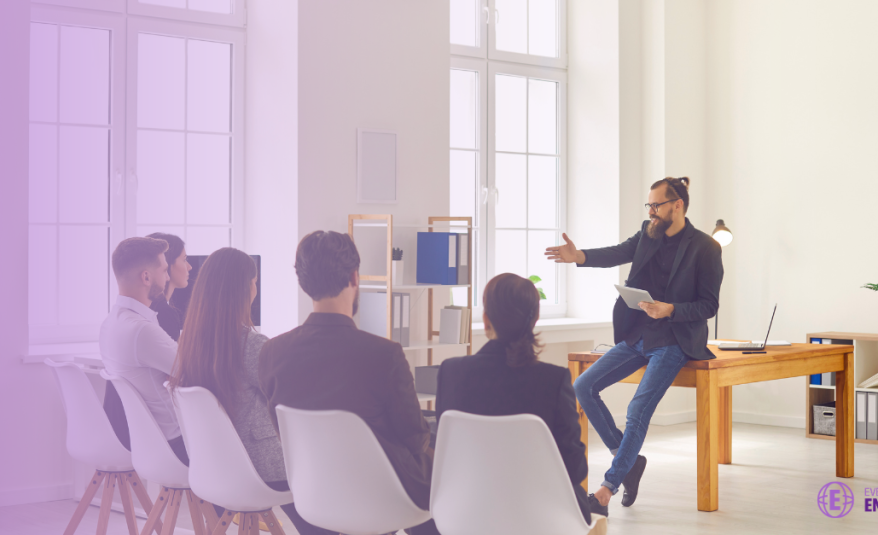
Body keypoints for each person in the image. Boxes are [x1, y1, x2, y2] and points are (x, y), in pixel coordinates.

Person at [545, 176, 723, 515]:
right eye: (649, 206)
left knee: (637, 410)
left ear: (678, 205)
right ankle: (629, 463)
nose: (652, 211)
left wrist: (670, 309)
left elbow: (709, 305)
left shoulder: (705, 247)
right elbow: (616, 253)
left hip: (673, 339)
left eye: (657, 205)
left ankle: (605, 490)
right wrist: (578, 256)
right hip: (637, 335)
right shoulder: (648, 232)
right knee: (583, 386)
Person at [257, 230, 439, 535]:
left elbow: (285, 434)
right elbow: (415, 438)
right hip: (382, 497)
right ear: (355, 277)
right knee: (446, 469)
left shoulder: (271, 353)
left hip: (315, 495)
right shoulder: (384, 355)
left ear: (303, 282)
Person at [168, 248, 333, 535]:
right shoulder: (251, 344)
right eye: (254, 281)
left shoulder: (190, 344)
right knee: (325, 483)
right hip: (261, 469)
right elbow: (292, 400)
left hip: (214, 470)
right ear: (245, 288)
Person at [434, 273, 601, 523]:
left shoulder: (451, 372)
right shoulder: (553, 380)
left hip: (466, 511)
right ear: (534, 320)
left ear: (486, 319)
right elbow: (575, 468)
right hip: (539, 517)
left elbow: (445, 455)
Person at [100, 237, 188, 465]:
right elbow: (192, 369)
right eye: (164, 270)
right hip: (175, 445)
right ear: (146, 277)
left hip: (148, 442)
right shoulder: (141, 330)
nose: (167, 277)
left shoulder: (110, 323)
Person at [146, 232, 192, 341]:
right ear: (166, 263)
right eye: (184, 260)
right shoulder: (165, 315)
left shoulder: (149, 308)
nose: (189, 267)